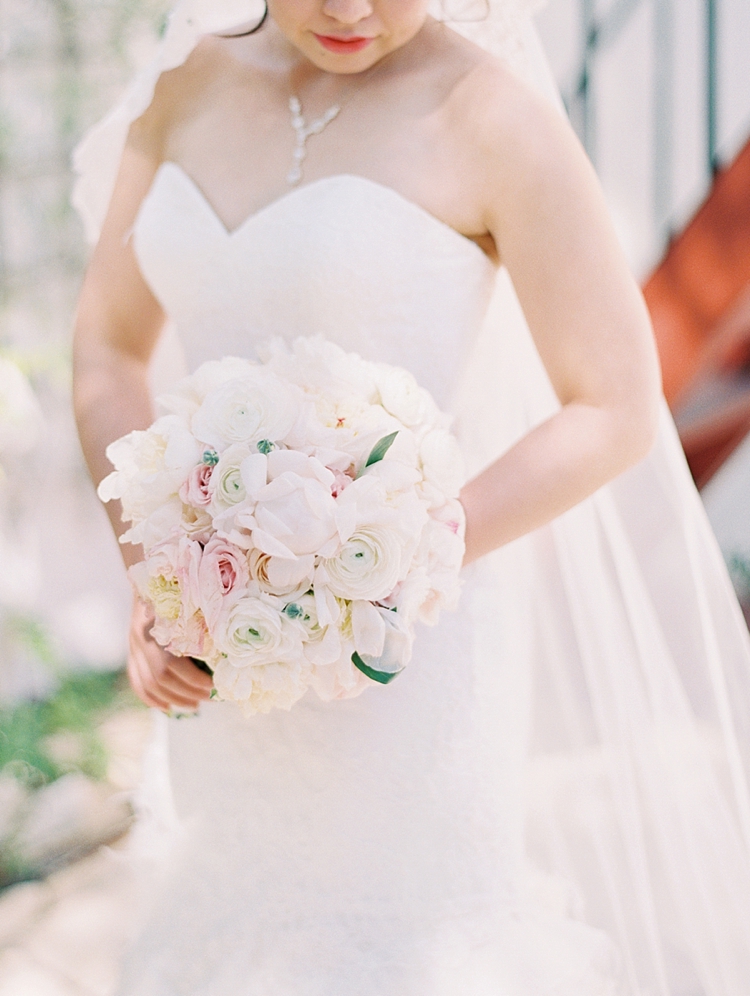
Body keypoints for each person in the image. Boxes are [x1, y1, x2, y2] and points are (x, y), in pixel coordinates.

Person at [71, 1, 750, 993]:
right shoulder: (181, 87)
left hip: (413, 652)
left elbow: (613, 405)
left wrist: (398, 550)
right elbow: (105, 348)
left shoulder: (491, 116)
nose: (352, 11)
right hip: (220, 650)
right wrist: (161, 574)